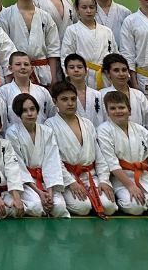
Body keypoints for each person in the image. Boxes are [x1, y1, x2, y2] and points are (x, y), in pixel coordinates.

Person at [97, 90, 148, 215]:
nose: (118, 111)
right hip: (122, 179)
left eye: (121, 107)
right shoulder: (103, 131)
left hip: (145, 176)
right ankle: (139, 201)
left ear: (129, 110)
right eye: (113, 108)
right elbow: (112, 164)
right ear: (107, 112)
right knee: (135, 208)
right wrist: (130, 186)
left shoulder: (141, 130)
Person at [47, 81, 115, 217]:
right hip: (69, 177)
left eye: (73, 99)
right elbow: (53, 159)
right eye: (64, 99)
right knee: (83, 208)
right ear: (55, 101)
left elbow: (99, 155)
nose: (70, 103)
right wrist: (71, 182)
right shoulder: (50, 125)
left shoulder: (87, 123)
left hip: (90, 175)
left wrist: (104, 180)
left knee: (109, 207)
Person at [5, 94, 68, 217]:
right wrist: (39, 192)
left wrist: (49, 193)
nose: (30, 114)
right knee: (37, 207)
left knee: (59, 207)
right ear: (18, 114)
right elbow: (18, 166)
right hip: (26, 182)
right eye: (25, 110)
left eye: (32, 109)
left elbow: (52, 162)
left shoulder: (47, 131)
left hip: (47, 180)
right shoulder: (12, 133)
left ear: (37, 110)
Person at [0, 0, 59, 84]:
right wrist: (8, 77)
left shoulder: (45, 16)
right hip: (16, 72)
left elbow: (53, 49)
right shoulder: (5, 16)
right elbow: (3, 50)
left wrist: (53, 78)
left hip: (43, 72)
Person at [0, 52, 55, 128]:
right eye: (18, 64)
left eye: (26, 64)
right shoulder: (3, 92)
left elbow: (52, 116)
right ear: (10, 68)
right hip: (12, 134)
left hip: (41, 133)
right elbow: (1, 120)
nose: (23, 67)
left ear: (32, 68)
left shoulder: (43, 91)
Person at [99, 53, 148, 129]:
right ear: (108, 74)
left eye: (124, 70)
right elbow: (98, 121)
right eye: (116, 70)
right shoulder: (101, 95)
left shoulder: (139, 95)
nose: (121, 74)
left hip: (139, 135)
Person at [61, 53, 102, 120]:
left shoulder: (97, 95)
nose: (76, 70)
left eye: (80, 67)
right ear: (66, 72)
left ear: (86, 71)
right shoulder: (62, 96)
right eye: (71, 67)